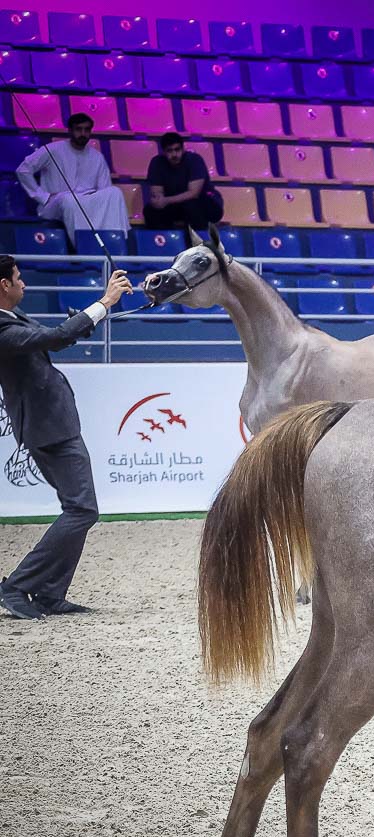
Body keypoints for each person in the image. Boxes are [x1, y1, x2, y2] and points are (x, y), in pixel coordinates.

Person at [0, 255, 132, 619]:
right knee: (82, 510)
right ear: (4, 285)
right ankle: (16, 586)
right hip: (48, 427)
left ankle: (49, 594)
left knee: (79, 509)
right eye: (18, 278)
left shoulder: (13, 317)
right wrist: (104, 302)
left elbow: (56, 335)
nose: (24, 283)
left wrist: (88, 319)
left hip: (54, 424)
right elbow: (55, 337)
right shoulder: (2, 327)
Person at [15, 113, 130, 250]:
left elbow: (103, 189)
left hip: (87, 201)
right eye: (78, 129)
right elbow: (23, 170)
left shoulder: (97, 156)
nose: (83, 134)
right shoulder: (53, 149)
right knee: (69, 200)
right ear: (70, 130)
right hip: (55, 202)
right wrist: (42, 196)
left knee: (115, 192)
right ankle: (84, 248)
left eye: (87, 130)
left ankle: (114, 245)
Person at [144, 131, 223, 231]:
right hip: (175, 205)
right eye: (169, 151)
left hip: (204, 203)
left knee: (191, 206)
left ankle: (196, 240)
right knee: (150, 211)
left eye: (177, 149)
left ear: (183, 149)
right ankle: (166, 239)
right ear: (163, 152)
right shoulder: (157, 163)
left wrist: (166, 200)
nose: (174, 154)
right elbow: (157, 194)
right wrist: (158, 201)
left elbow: (194, 193)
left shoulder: (194, 160)